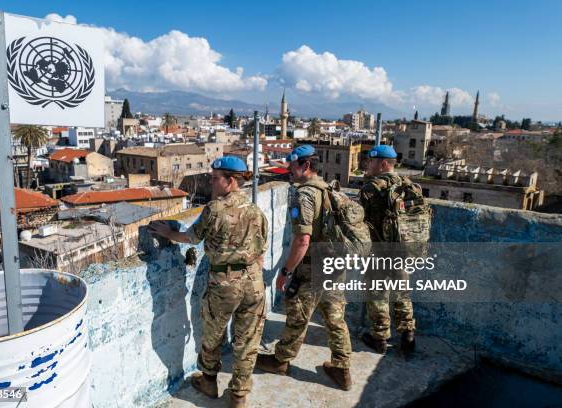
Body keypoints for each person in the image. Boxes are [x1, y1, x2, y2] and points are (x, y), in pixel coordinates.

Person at [150, 156, 268, 408]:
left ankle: (209, 382)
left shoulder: (215, 209)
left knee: (213, 334)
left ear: (231, 181)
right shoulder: (256, 211)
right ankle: (238, 396)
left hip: (225, 283)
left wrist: (167, 233)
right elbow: (261, 250)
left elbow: (192, 238)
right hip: (254, 282)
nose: (211, 183)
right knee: (248, 340)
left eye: (215, 179)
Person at [255, 145, 353, 391]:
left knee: (298, 314)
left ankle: (281, 360)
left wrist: (286, 271)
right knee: (335, 317)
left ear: (305, 166)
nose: (288, 169)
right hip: (334, 264)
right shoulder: (330, 189)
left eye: (292, 165)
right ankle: (342, 369)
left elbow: (302, 240)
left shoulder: (304, 194)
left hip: (313, 267)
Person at [358, 145, 416, 354]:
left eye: (371, 161)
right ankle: (408, 337)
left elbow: (360, 220)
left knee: (378, 294)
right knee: (402, 293)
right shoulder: (409, 185)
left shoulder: (371, 188)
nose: (367, 165)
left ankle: (379, 338)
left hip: (379, 252)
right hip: (403, 249)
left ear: (383, 164)